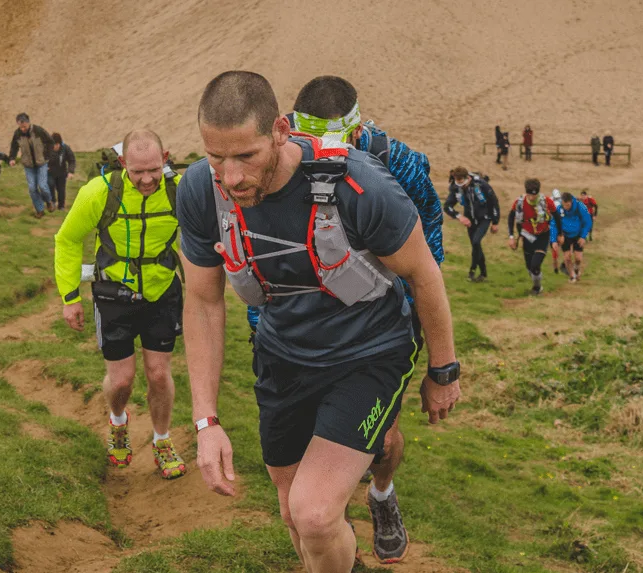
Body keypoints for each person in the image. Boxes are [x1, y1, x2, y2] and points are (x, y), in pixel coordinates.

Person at [180, 71, 460, 573]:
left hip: (369, 355)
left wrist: (443, 371)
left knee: (313, 513)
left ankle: (381, 494)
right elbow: (203, 301)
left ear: (280, 131)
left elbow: (424, 273)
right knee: (292, 509)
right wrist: (206, 420)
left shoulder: (360, 184)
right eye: (215, 156)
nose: (231, 176)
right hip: (283, 356)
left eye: (246, 155)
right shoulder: (201, 191)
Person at [278, 75, 445, 563]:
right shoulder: (281, 161)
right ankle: (331, 518)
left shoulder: (400, 162)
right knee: (314, 434)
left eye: (337, 142)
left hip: (380, 323)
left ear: (356, 131)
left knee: (384, 438)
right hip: (302, 325)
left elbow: (429, 235)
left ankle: (381, 494)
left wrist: (412, 319)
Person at [53, 129, 186, 481]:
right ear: (123, 162)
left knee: (159, 374)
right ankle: (118, 421)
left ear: (166, 158)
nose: (146, 179)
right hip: (114, 293)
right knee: (122, 380)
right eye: (138, 171)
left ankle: (161, 439)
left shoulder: (179, 190)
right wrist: (70, 297)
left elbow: (204, 236)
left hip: (161, 291)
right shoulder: (100, 192)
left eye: (154, 170)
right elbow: (67, 239)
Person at [445, 167, 499, 282]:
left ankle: (472, 270)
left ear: (468, 178)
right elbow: (447, 206)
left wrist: (495, 222)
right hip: (470, 220)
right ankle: (482, 274)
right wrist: (460, 217)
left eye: (462, 183)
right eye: (458, 183)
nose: (461, 186)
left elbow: (493, 201)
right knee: (476, 245)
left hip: (485, 218)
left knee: (476, 242)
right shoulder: (455, 188)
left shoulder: (481, 184)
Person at [508, 179, 558, 295]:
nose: (532, 198)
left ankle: (537, 288)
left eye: (534, 195)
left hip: (542, 235)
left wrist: (559, 235)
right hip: (527, 235)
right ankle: (537, 283)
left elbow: (557, 217)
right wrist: (511, 236)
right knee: (529, 267)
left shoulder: (546, 202)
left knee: (535, 265)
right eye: (529, 194)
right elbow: (511, 218)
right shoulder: (519, 202)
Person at [8, 112, 56, 217]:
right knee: (32, 188)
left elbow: (50, 142)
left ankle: (49, 201)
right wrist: (12, 158)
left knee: (42, 186)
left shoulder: (38, 131)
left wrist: (47, 156)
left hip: (41, 163)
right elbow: (14, 147)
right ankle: (40, 210)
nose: (23, 129)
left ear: (28, 123)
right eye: (20, 127)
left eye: (24, 126)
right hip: (28, 166)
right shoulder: (17, 134)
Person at [552, 192, 593, 283]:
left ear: (571, 201)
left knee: (578, 259)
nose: (566, 207)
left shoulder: (580, 207)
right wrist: (554, 239)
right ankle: (572, 276)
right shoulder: (559, 209)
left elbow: (588, 222)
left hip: (578, 234)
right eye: (564, 205)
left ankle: (576, 269)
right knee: (567, 257)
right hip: (565, 235)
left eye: (568, 205)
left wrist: (583, 236)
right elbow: (554, 224)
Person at [47, 133, 77, 211]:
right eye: (54, 144)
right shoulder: (47, 148)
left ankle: (61, 206)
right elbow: (41, 158)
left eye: (57, 144)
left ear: (60, 143)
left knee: (61, 190)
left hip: (62, 173)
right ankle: (52, 202)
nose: (55, 146)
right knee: (50, 185)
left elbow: (72, 160)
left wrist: (71, 171)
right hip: (50, 172)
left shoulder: (65, 148)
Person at [550, 188, 563, 274]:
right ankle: (556, 268)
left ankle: (557, 267)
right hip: (553, 228)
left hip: (559, 227)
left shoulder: (561, 204)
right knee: (555, 250)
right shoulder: (550, 203)